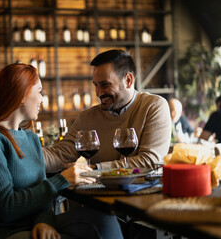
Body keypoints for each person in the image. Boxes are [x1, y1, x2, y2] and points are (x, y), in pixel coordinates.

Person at [0, 63, 123, 239]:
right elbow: (6, 207)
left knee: (104, 219)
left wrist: (44, 221)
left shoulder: (30, 139)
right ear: (22, 94)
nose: (42, 99)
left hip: (31, 226)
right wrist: (63, 180)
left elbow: (41, 194)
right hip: (1, 232)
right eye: (39, 92)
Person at [43, 50, 171, 171]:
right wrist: (26, 154)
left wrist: (97, 169)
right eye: (95, 85)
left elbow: (151, 161)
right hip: (99, 192)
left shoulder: (153, 106)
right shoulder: (87, 117)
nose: (98, 93)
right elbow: (58, 154)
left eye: (105, 85)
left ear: (128, 80)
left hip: (143, 192)